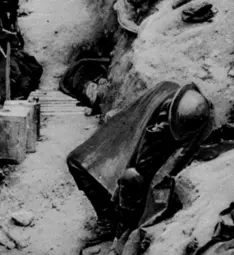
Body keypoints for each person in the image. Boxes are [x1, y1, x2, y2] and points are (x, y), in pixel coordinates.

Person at [66, 81, 214, 247]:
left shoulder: (186, 114)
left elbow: (139, 173)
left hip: (141, 158)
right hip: (127, 137)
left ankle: (111, 222)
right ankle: (108, 218)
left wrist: (122, 235)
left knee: (128, 179)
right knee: (77, 160)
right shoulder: (166, 93)